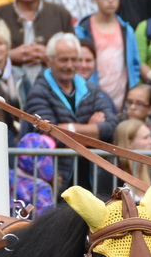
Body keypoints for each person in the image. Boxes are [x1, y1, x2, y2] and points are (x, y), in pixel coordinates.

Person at [25, 32, 119, 184]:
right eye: (63, 60)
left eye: (74, 59)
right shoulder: (38, 93)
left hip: (90, 178)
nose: (69, 65)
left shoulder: (91, 89)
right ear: (49, 61)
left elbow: (111, 126)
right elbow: (49, 134)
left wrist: (69, 128)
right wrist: (92, 131)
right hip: (56, 181)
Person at [74, 0, 141, 109]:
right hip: (90, 95)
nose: (110, 0)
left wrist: (132, 87)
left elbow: (135, 63)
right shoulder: (83, 29)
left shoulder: (126, 30)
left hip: (122, 96)